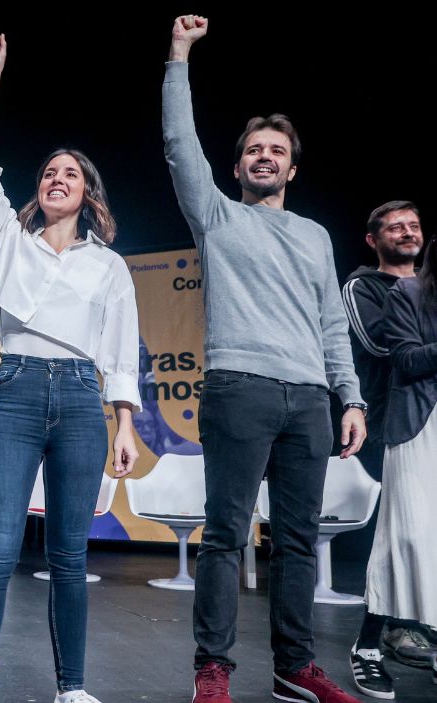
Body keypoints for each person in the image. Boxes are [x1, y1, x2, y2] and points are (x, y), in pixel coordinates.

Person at [163, 16, 366, 703]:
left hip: (309, 399)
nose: (264, 156)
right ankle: (212, 667)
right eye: (254, 148)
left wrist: (352, 396)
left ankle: (294, 666)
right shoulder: (218, 217)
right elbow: (177, 142)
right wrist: (180, 55)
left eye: (276, 149)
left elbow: (332, 322)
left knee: (299, 542)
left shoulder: (315, 235)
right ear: (237, 164)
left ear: (291, 166)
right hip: (239, 388)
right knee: (224, 535)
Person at [0, 33, 141, 703]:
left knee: (68, 554)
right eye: (49, 172)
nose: (57, 178)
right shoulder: (8, 240)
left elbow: (119, 350)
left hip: (84, 400)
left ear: (87, 195)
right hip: (18, 390)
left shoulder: (108, 265)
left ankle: (73, 687)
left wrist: (124, 424)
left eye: (71, 174)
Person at [341, 201, 434, 697]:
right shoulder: (362, 286)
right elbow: (383, 348)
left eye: (414, 225)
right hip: (390, 420)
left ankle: (417, 629)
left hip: (433, 419)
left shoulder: (431, 289)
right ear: (373, 239)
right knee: (400, 537)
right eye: (395, 226)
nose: (407, 232)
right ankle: (371, 643)